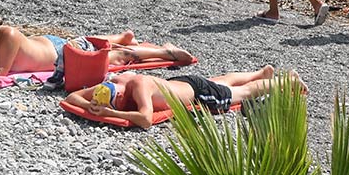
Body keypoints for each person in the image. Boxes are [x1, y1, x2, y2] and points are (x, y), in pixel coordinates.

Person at [0, 11, 195, 80]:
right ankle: (121, 36)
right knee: (86, 40)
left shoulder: (8, 35)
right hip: (52, 45)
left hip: (59, 53)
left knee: (114, 58)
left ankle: (165, 51)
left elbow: (2, 72)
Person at [64, 65, 304, 130]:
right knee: (221, 81)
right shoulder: (114, 82)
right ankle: (261, 72)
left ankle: (285, 82)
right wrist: (91, 103)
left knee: (241, 93)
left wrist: (110, 113)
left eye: (120, 102)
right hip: (184, 83)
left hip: (198, 94)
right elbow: (74, 97)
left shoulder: (137, 85)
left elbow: (145, 119)